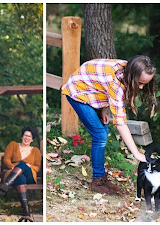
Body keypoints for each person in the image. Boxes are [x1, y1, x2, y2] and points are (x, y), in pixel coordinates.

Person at [61, 56, 154, 195]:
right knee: (100, 135)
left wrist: (102, 109)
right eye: (140, 83)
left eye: (145, 84)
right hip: (77, 92)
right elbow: (121, 124)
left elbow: (99, 84)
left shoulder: (125, 68)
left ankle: (101, 177)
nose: (141, 87)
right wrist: (136, 153)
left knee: (102, 131)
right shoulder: (116, 84)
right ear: (131, 75)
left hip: (91, 91)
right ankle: (98, 181)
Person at [0, 127, 42, 222]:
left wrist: (28, 166)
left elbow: (37, 167)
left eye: (29, 136)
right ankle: (26, 212)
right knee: (20, 178)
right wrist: (14, 167)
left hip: (30, 175)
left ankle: (6, 185)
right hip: (13, 173)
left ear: (32, 139)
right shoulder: (13, 145)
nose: (27, 138)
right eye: (25, 135)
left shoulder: (36, 150)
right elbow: (6, 160)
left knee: (23, 164)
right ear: (22, 136)